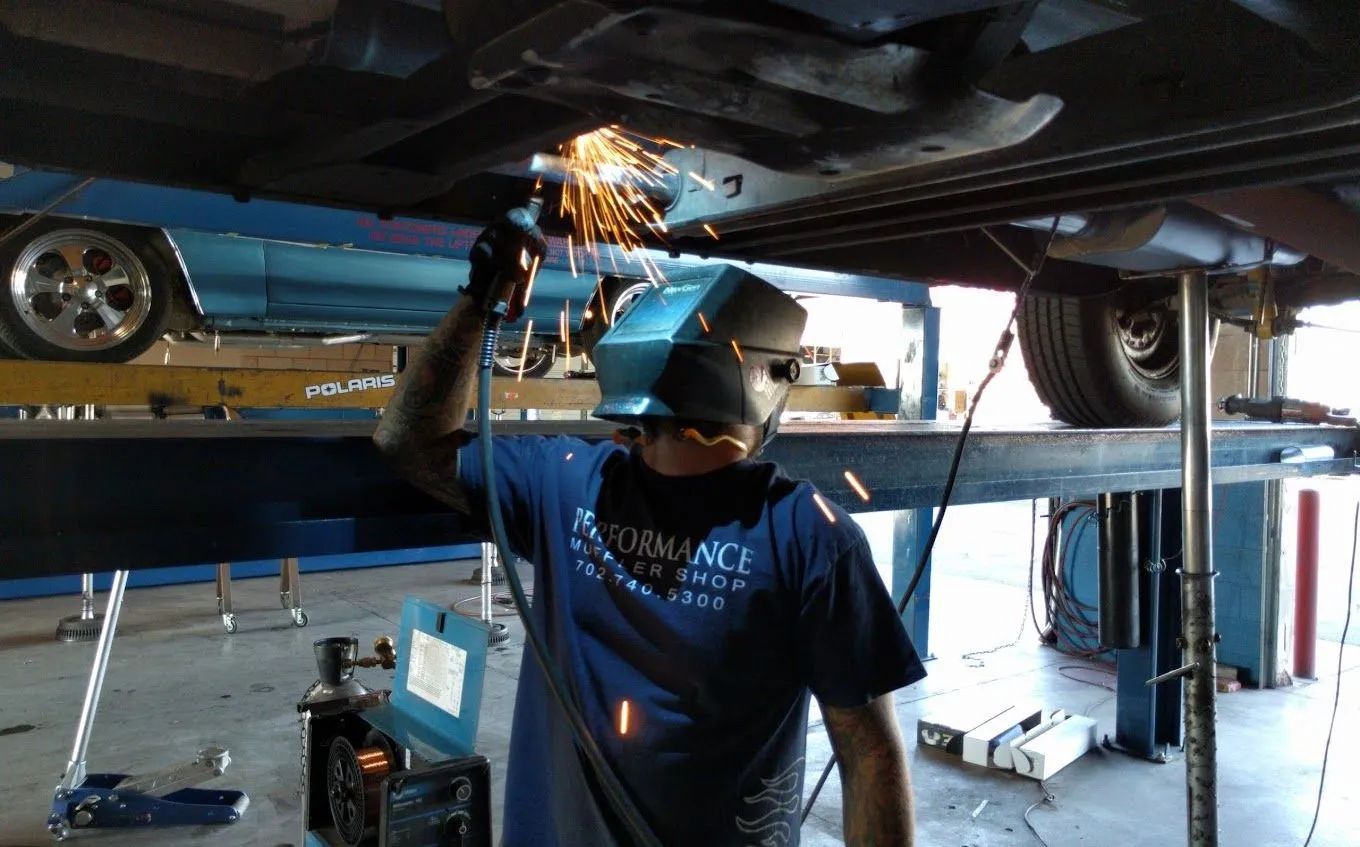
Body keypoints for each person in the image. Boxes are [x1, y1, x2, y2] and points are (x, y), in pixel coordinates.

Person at [374, 207, 925, 846]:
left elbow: (406, 440)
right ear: (764, 377)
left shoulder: (566, 481)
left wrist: (483, 297)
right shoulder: (809, 535)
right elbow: (870, 756)